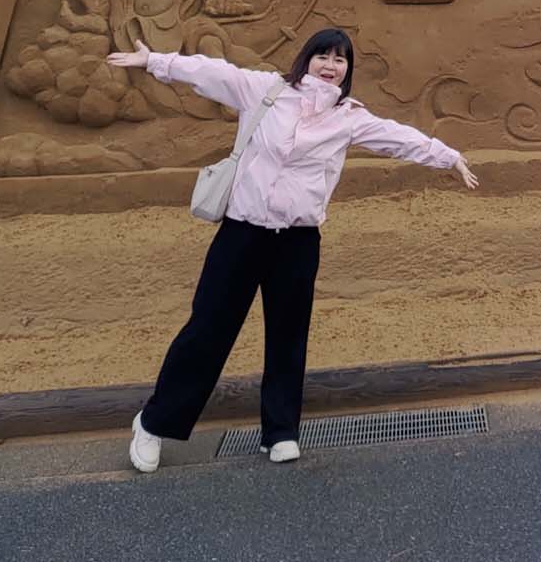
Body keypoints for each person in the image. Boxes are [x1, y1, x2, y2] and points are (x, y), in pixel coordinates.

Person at [108, 28, 478, 472]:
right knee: (207, 332)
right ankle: (153, 422)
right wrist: (155, 62)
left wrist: (447, 156)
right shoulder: (266, 91)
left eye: (340, 59)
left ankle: (280, 431)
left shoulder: (349, 117)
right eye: (323, 54)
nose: (330, 64)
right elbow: (211, 73)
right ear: (307, 58)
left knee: (287, 336)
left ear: (347, 71)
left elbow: (397, 137)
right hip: (241, 234)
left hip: (298, 242)